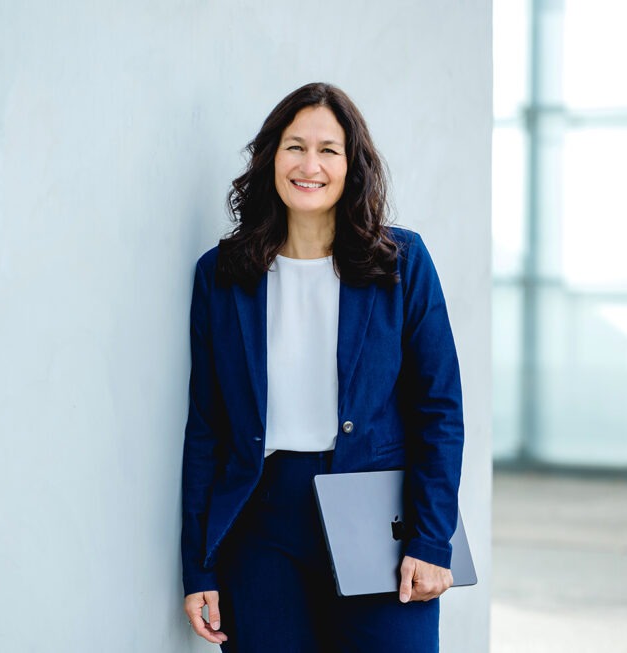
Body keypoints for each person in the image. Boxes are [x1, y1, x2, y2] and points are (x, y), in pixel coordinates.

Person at [180, 82, 464, 653]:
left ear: (351, 165)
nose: (310, 165)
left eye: (328, 150)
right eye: (295, 147)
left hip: (376, 514)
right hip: (261, 524)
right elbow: (207, 427)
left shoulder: (402, 264)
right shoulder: (222, 275)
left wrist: (434, 541)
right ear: (270, 158)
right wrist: (200, 567)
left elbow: (439, 409)